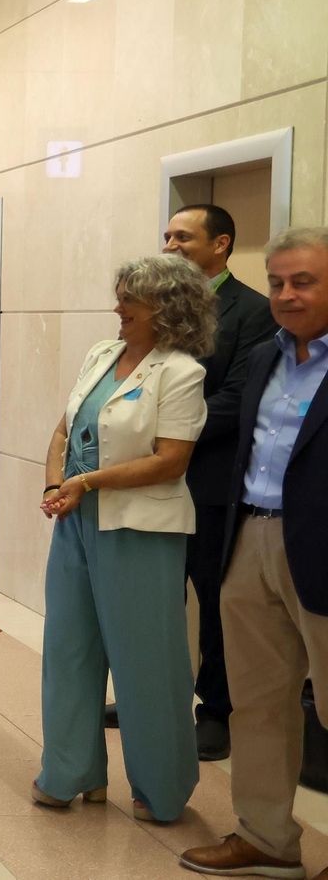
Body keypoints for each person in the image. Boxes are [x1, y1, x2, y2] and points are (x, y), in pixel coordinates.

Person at [30, 254, 214, 822]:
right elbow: (64, 429)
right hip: (77, 524)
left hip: (141, 530)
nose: (119, 307)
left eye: (131, 298)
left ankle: (161, 788)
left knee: (146, 662)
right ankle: (71, 772)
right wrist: (56, 483)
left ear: (167, 307)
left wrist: (88, 482)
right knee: (68, 650)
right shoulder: (101, 354)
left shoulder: (181, 372)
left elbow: (171, 461)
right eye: (120, 295)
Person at [180, 227, 328, 880]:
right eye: (277, 283)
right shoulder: (267, 355)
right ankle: (266, 838)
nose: (287, 295)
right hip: (251, 539)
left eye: (304, 282)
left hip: (320, 548)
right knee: (258, 702)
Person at [102, 206, 276, 757]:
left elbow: (240, 397)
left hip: (210, 480)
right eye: (167, 236)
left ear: (221, 244)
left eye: (184, 236)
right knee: (156, 595)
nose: (170, 245)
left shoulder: (255, 311)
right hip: (148, 476)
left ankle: (217, 711)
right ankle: (152, 697)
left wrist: (171, 433)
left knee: (214, 598)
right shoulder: (152, 307)